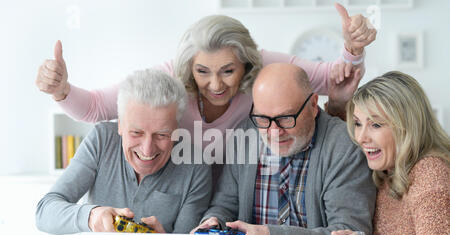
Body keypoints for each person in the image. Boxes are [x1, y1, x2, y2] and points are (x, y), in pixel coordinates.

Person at [35, 4, 376, 154]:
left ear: (245, 64)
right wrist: (61, 90)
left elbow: (332, 78)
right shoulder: (169, 77)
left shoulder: (264, 66)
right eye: (203, 72)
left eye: (228, 71)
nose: (216, 85)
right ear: (188, 68)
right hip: (184, 191)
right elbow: (95, 107)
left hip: (237, 192)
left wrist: (352, 49)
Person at [195, 63, 376, 235]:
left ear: (313, 105)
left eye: (285, 119)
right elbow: (225, 205)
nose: (274, 131)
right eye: (263, 119)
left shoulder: (343, 146)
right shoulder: (246, 135)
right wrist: (213, 222)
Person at [36, 69, 212, 235]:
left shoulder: (196, 166)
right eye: (136, 132)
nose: (147, 150)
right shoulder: (102, 140)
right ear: (120, 125)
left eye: (162, 135)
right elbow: (44, 212)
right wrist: (92, 216)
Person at [329, 71, 450, 235]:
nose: (361, 138)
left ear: (407, 126)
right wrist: (337, 103)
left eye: (376, 124)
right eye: (357, 123)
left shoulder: (430, 172)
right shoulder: (387, 166)